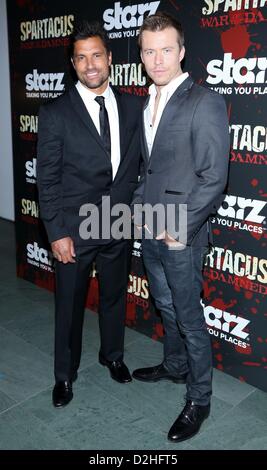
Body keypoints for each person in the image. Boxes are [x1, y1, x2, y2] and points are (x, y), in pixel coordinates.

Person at [132, 13, 230, 442]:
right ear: (140, 55)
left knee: (189, 317)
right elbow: (148, 170)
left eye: (166, 49)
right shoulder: (146, 102)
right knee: (166, 306)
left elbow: (214, 177)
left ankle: (199, 399)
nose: (158, 59)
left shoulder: (202, 101)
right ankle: (174, 367)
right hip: (151, 229)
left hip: (180, 235)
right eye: (149, 51)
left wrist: (179, 228)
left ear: (182, 52)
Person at [37, 20, 143, 408]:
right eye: (81, 58)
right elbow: (46, 179)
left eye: (96, 55)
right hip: (74, 229)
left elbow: (139, 166)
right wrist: (56, 231)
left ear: (110, 58)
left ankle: (112, 355)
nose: (90, 64)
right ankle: (64, 375)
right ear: (73, 63)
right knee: (69, 304)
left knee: (115, 295)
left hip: (117, 221)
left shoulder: (134, 105)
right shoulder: (55, 113)